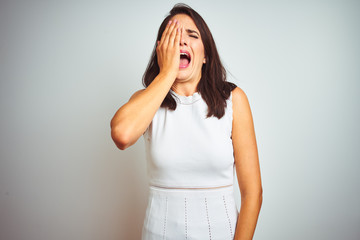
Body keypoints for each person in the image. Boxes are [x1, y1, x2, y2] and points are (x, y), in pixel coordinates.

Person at [110, 3, 262, 240]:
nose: (181, 41)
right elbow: (121, 135)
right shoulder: (145, 102)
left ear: (206, 55)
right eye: (173, 36)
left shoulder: (234, 100)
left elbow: (252, 192)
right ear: (161, 50)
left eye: (191, 35)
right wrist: (167, 73)